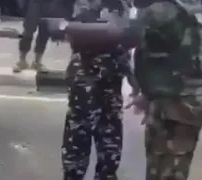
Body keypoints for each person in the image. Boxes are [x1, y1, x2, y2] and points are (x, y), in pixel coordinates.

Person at [126, 0, 202, 179]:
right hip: (193, 100)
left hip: (165, 100)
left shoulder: (157, 11)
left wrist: (143, 90)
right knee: (177, 167)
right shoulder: (198, 12)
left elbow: (135, 45)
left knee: (156, 166)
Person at [57, 0, 135, 179]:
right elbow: (73, 31)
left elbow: (127, 40)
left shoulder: (123, 4)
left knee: (110, 142)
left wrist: (132, 76)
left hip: (112, 77)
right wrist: (110, 33)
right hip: (85, 75)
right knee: (78, 137)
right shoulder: (86, 4)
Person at [13, 0, 75, 73]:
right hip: (35, 3)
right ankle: (22, 61)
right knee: (28, 31)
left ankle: (37, 62)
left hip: (52, 4)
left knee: (44, 33)